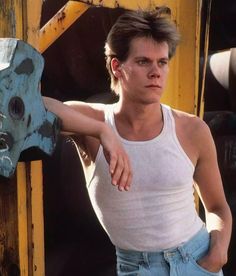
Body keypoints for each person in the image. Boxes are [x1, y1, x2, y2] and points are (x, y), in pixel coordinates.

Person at [43, 7, 232, 276]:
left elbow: (217, 207)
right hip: (136, 267)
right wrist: (102, 132)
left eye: (162, 62)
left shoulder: (192, 129)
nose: (156, 72)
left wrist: (218, 252)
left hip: (197, 260)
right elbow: (37, 105)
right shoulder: (94, 122)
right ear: (116, 66)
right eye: (144, 61)